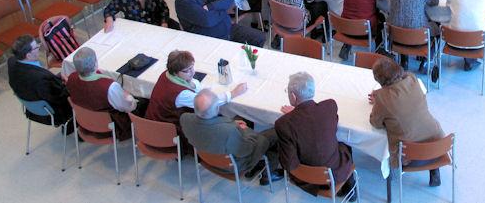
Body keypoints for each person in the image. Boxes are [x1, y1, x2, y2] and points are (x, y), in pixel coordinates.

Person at [274, 72, 356, 200]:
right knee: (344, 146)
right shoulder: (329, 106)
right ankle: (350, 186)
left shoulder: (283, 123)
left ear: (293, 96)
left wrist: (294, 114)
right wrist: (297, 112)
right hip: (335, 170)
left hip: (305, 177)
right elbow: (333, 124)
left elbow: (289, 163)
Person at [146, 50, 245, 154]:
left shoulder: (167, 74)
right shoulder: (181, 94)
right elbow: (209, 103)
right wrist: (233, 93)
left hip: (154, 123)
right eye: (187, 71)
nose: (192, 72)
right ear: (175, 72)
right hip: (166, 132)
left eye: (192, 67)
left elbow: (195, 85)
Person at [369, 57, 445, 186]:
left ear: (379, 80)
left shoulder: (382, 98)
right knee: (422, 126)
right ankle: (434, 169)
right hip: (438, 144)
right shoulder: (412, 79)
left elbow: (375, 123)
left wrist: (378, 101)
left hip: (409, 156)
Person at [181, 88, 282, 185]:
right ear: (217, 108)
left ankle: (263, 164)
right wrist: (246, 131)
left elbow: (211, 127)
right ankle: (267, 174)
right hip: (232, 166)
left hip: (207, 159)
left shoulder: (184, 118)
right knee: (277, 133)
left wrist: (232, 124)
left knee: (242, 117)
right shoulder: (229, 131)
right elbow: (247, 150)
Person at [67, 47, 138, 140]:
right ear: (95, 64)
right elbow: (127, 108)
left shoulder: (71, 78)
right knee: (142, 102)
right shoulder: (109, 87)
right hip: (112, 127)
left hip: (85, 121)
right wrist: (131, 99)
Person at [7, 35, 72, 129]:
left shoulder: (11, 62)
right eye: (36, 47)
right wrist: (69, 83)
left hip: (31, 108)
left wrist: (55, 79)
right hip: (55, 112)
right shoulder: (40, 78)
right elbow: (59, 98)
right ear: (28, 55)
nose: (38, 48)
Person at [388, 0, 440, 72]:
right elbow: (434, 2)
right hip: (417, 30)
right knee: (438, 30)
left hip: (395, 31)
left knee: (402, 21)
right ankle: (426, 60)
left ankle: (404, 60)